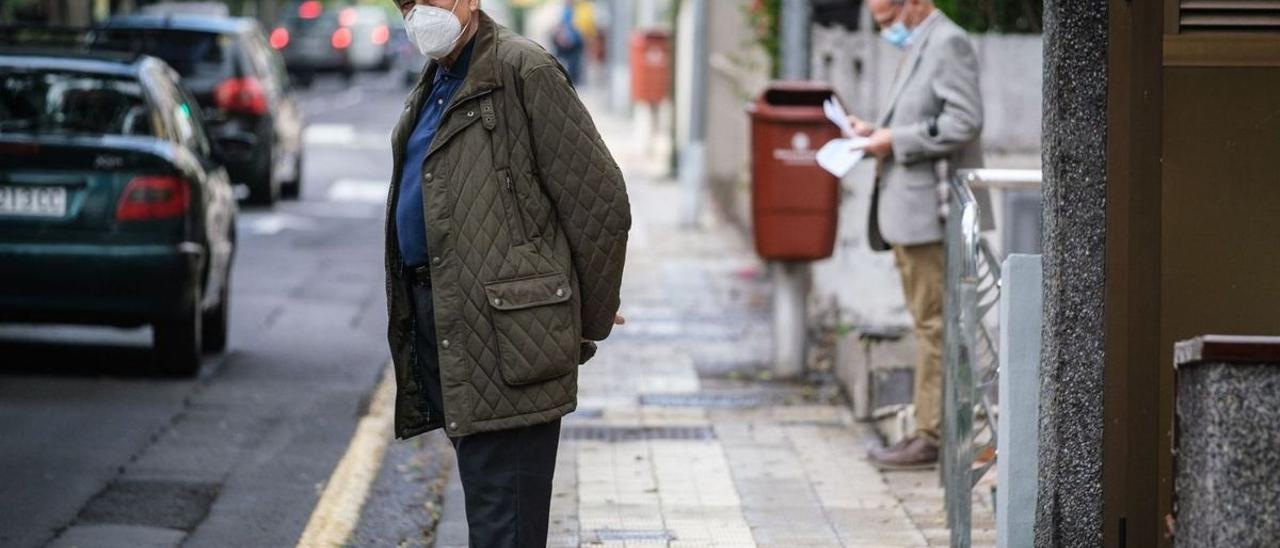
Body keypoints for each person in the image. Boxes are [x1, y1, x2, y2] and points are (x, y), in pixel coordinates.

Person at [386, 1, 631, 545]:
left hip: (512, 337)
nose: (417, 12)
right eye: (405, 2)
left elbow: (600, 203)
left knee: (505, 524)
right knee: (492, 509)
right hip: (450, 323)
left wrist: (583, 320)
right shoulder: (438, 78)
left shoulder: (524, 70)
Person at [848, 0, 983, 470]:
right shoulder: (924, 43)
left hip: (931, 212)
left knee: (934, 325)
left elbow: (964, 121)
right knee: (928, 322)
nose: (883, 30)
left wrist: (895, 141)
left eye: (887, 20)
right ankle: (928, 431)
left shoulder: (948, 43)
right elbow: (923, 117)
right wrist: (876, 134)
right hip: (909, 211)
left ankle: (933, 436)